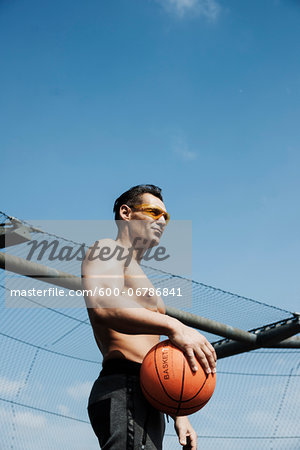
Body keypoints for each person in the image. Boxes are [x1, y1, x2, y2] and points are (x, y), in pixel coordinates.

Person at [81, 184, 217, 450]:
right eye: (154, 212)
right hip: (124, 385)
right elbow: (103, 304)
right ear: (126, 213)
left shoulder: (137, 270)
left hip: (149, 393)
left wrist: (180, 413)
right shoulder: (107, 248)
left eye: (166, 217)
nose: (162, 221)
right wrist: (173, 325)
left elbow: (152, 347)